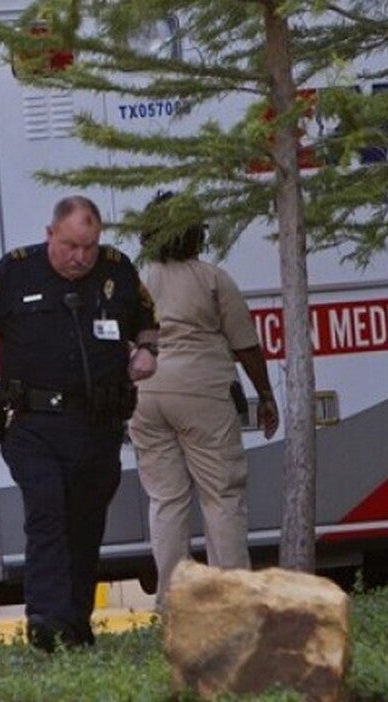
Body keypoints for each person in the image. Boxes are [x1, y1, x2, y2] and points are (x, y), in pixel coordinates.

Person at [0, 195, 159, 652]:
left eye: (89, 246)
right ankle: (44, 620)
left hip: (97, 425)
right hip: (34, 425)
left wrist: (147, 351)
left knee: (84, 524)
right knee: (47, 510)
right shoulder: (14, 271)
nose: (80, 256)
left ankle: (74, 624)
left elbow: (147, 323)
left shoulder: (117, 270)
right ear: (50, 234)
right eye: (70, 246)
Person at [128, 192, 279, 610]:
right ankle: (233, 601)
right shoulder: (212, 278)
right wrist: (265, 394)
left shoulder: (136, 280)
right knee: (221, 495)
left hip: (145, 394)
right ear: (196, 231)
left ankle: (174, 602)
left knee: (166, 499)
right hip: (201, 392)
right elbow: (246, 345)